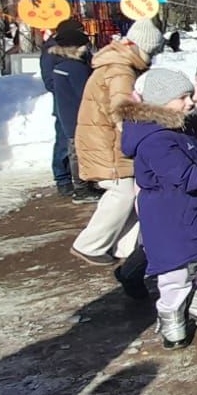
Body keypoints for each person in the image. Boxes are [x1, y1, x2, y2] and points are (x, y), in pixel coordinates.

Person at [120, 68, 197, 348]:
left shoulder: (177, 127)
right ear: (161, 102)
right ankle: (171, 315)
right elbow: (187, 177)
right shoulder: (155, 139)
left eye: (189, 96)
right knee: (175, 274)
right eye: (183, 97)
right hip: (170, 215)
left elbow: (196, 165)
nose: (190, 102)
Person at [71, 18, 164, 265]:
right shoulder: (120, 70)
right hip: (108, 143)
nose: (150, 58)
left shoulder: (115, 64)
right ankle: (90, 245)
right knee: (122, 193)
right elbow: (124, 111)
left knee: (130, 194)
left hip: (104, 139)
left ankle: (125, 249)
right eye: (149, 52)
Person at [40, 19, 96, 201]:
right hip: (66, 104)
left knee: (77, 145)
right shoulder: (53, 53)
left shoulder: (77, 53)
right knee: (65, 144)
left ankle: (83, 180)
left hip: (76, 103)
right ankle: (63, 180)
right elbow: (49, 81)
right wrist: (66, 90)